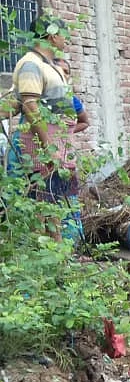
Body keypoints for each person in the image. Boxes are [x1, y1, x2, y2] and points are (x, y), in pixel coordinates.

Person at [9, 18, 78, 237]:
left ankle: (58, 256)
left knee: (55, 204)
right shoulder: (32, 64)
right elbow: (30, 106)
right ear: (52, 35)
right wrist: (48, 148)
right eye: (64, 35)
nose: (66, 40)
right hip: (43, 152)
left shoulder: (49, 65)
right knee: (42, 204)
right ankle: (45, 257)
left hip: (59, 148)